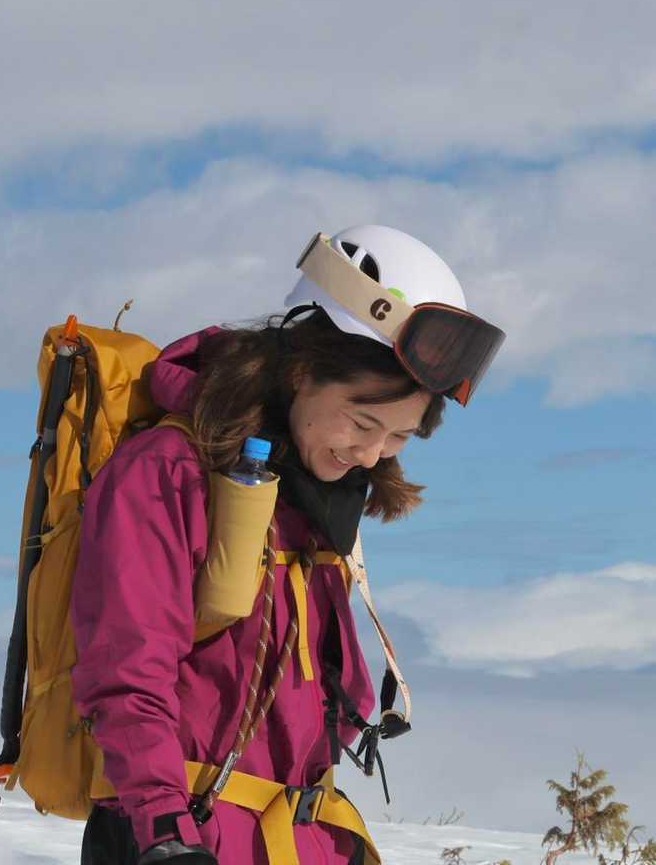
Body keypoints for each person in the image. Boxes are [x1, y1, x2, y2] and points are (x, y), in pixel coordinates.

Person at [70, 225, 506, 865]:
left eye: (398, 437)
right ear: (301, 370)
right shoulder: (168, 471)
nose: (370, 454)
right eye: (361, 422)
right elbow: (127, 672)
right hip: (185, 837)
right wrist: (165, 835)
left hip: (305, 841)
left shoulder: (313, 501)